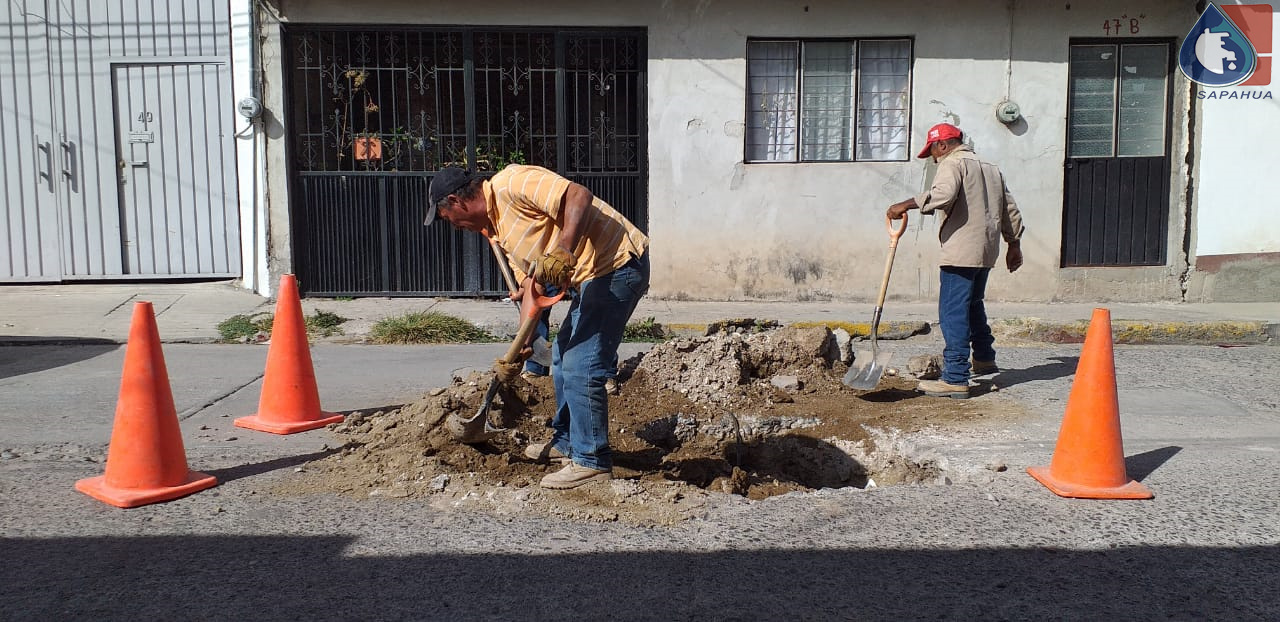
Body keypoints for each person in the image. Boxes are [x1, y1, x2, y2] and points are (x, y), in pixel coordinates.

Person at [424, 164, 650, 489]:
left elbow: (578, 194)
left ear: (455, 201)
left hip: (617, 265)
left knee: (581, 364)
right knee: (560, 356)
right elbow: (532, 292)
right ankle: (567, 443)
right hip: (593, 277)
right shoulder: (498, 231)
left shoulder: (511, 183)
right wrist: (521, 345)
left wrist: (564, 247)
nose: (455, 227)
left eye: (447, 218)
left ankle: (591, 462)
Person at [886, 123, 1024, 399]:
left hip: (961, 250)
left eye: (933, 152)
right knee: (972, 304)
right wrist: (1014, 244)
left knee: (952, 312)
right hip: (986, 250)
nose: (935, 159)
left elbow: (943, 195)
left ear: (943, 145)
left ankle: (956, 377)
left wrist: (905, 204)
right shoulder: (990, 167)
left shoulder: (952, 163)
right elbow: (1009, 209)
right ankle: (984, 357)